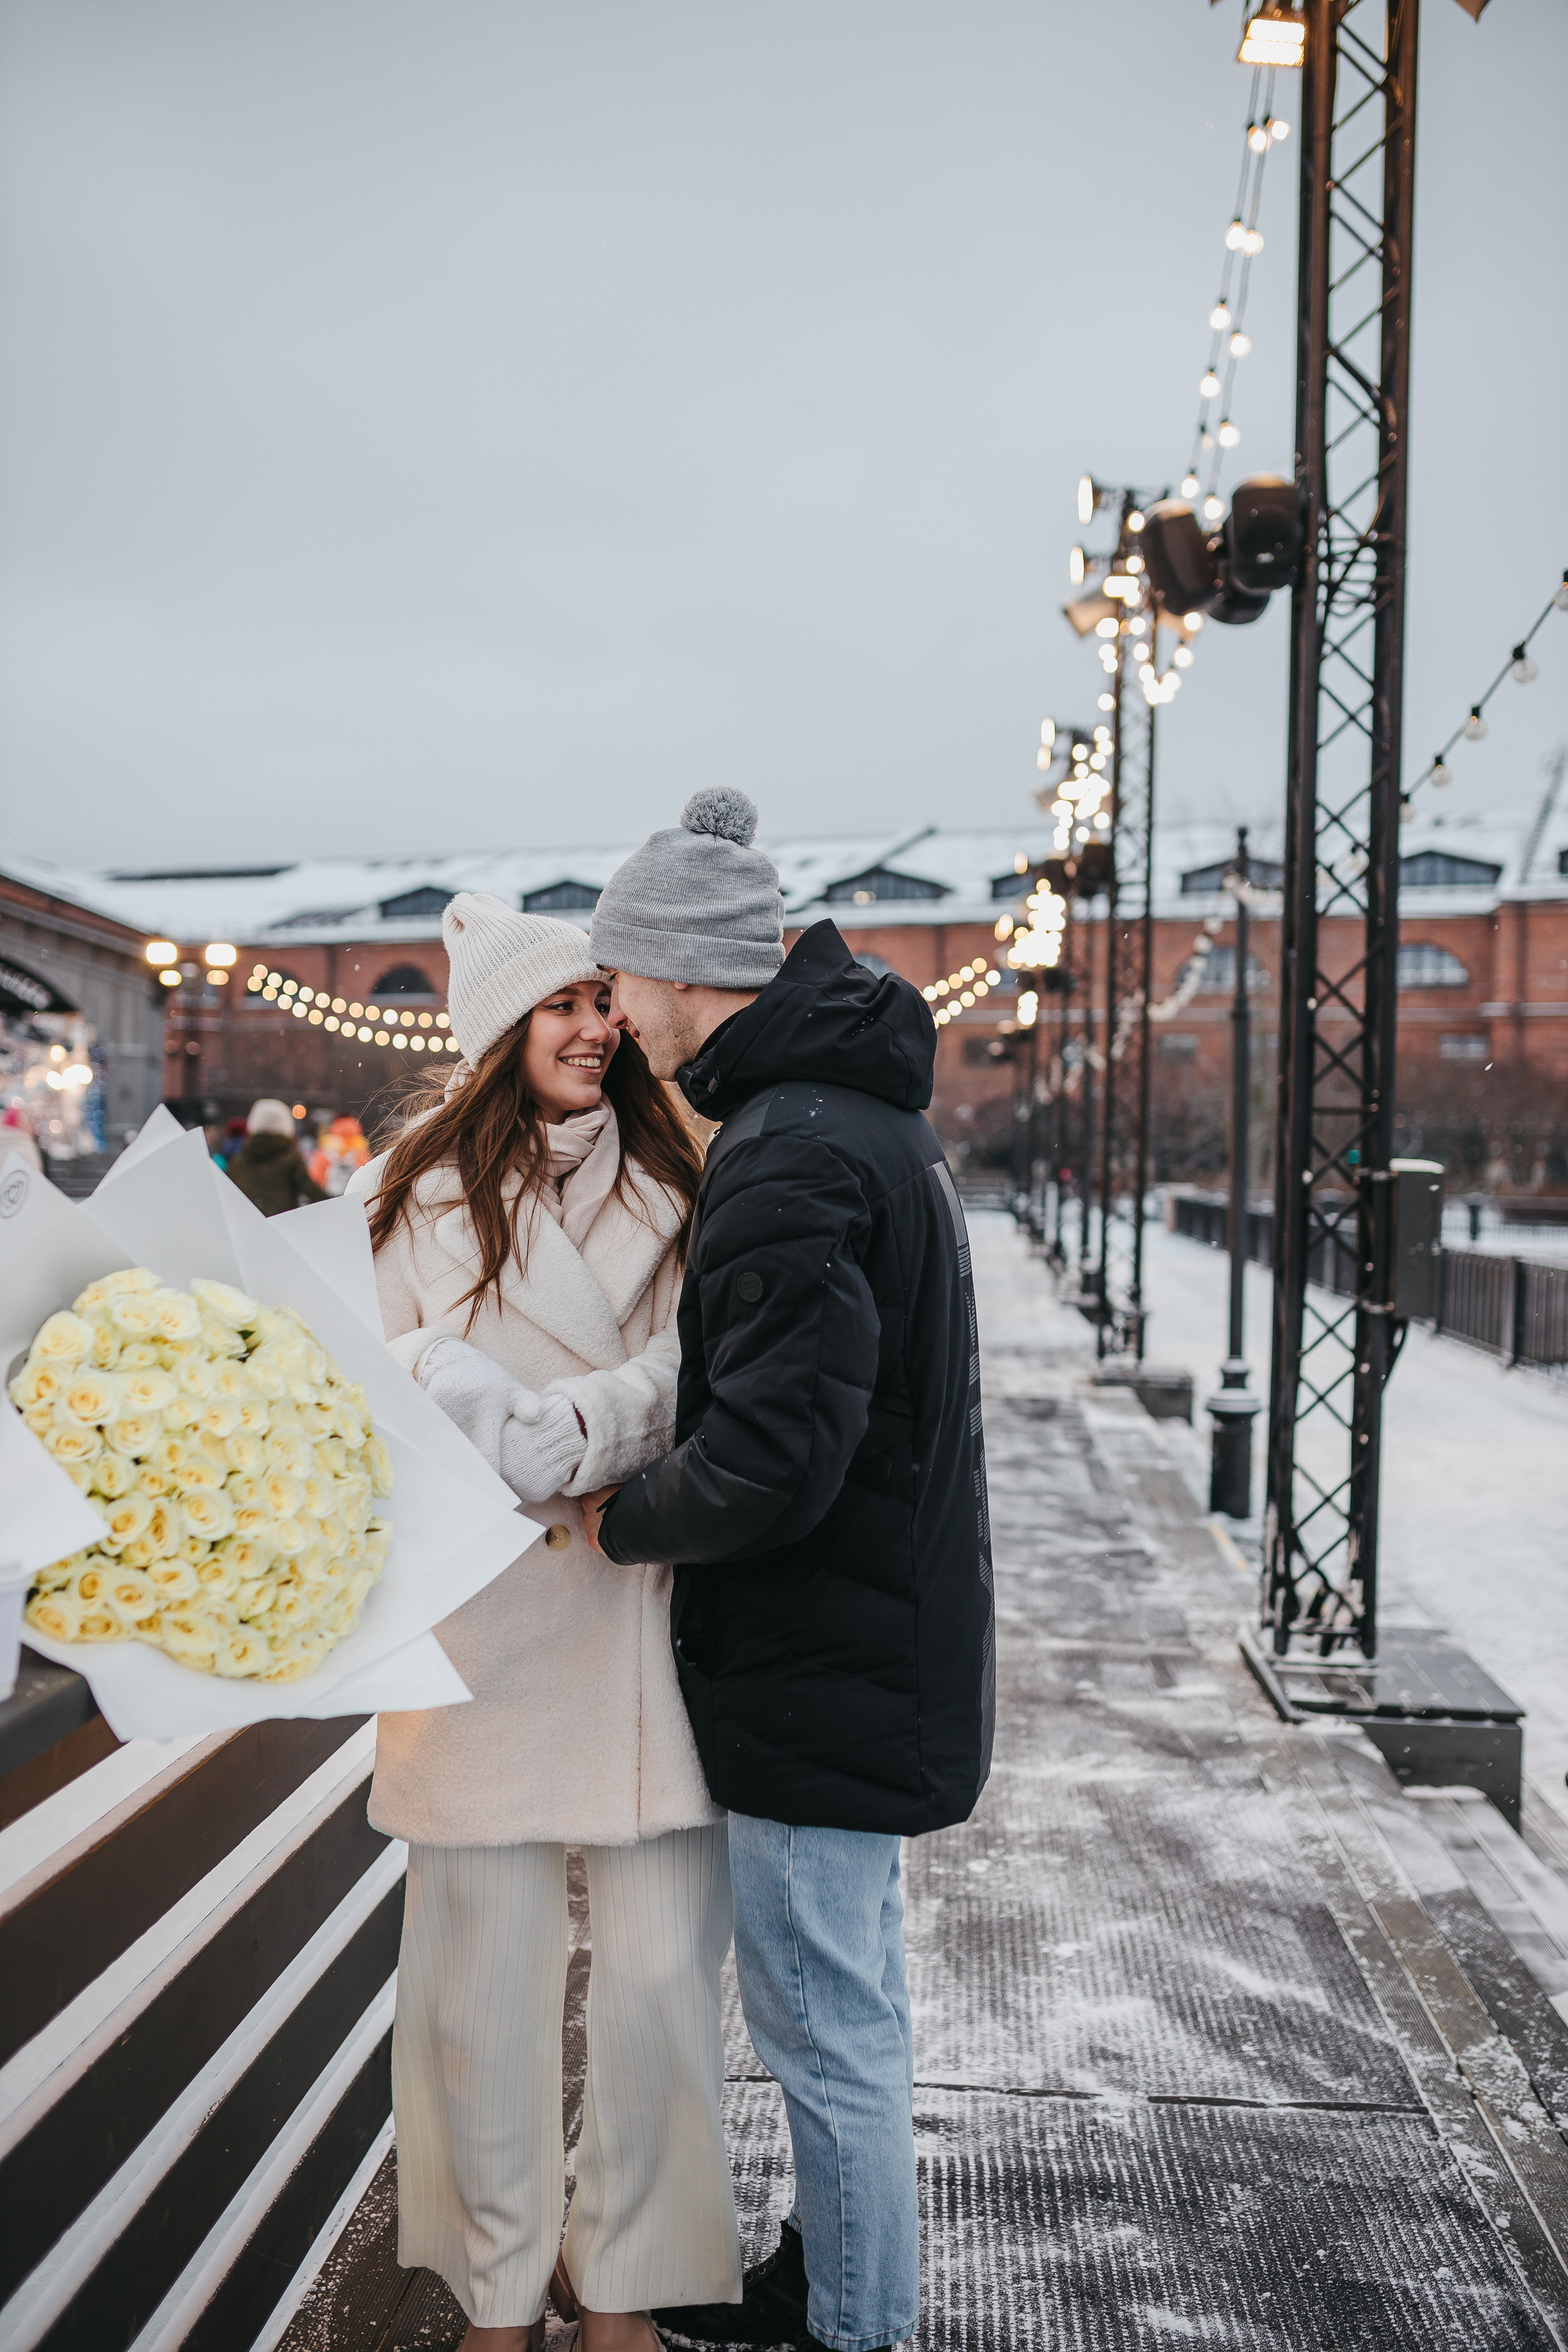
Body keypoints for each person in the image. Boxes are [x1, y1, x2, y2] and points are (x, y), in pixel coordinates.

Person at [581, 790, 995, 2352]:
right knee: (848, 2014)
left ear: (683, 973)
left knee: (827, 2034)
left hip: (822, 1661)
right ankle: (820, 2281)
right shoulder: (846, 1120)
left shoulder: (782, 1152)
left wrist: (616, 1517)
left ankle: (857, 2325)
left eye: (618, 981)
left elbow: (768, 1461)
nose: (613, 1016)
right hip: (867, 1647)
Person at [345, 894, 741, 2352]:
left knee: (652, 1984)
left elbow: (706, 1366)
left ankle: (624, 2279)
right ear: (499, 1028)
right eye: (561, 1003)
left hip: (642, 1613)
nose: (595, 1026)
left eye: (602, 1001)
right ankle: (501, 2288)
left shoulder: (690, 1171)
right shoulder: (408, 1189)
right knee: (481, 1992)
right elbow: (370, 1385)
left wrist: (573, 1425)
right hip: (480, 1627)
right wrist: (450, 1398)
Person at [224, 1099, 327, 1215]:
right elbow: (316, 1196)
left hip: (246, 1227)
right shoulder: (291, 1161)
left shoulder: (237, 1164)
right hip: (282, 1227)